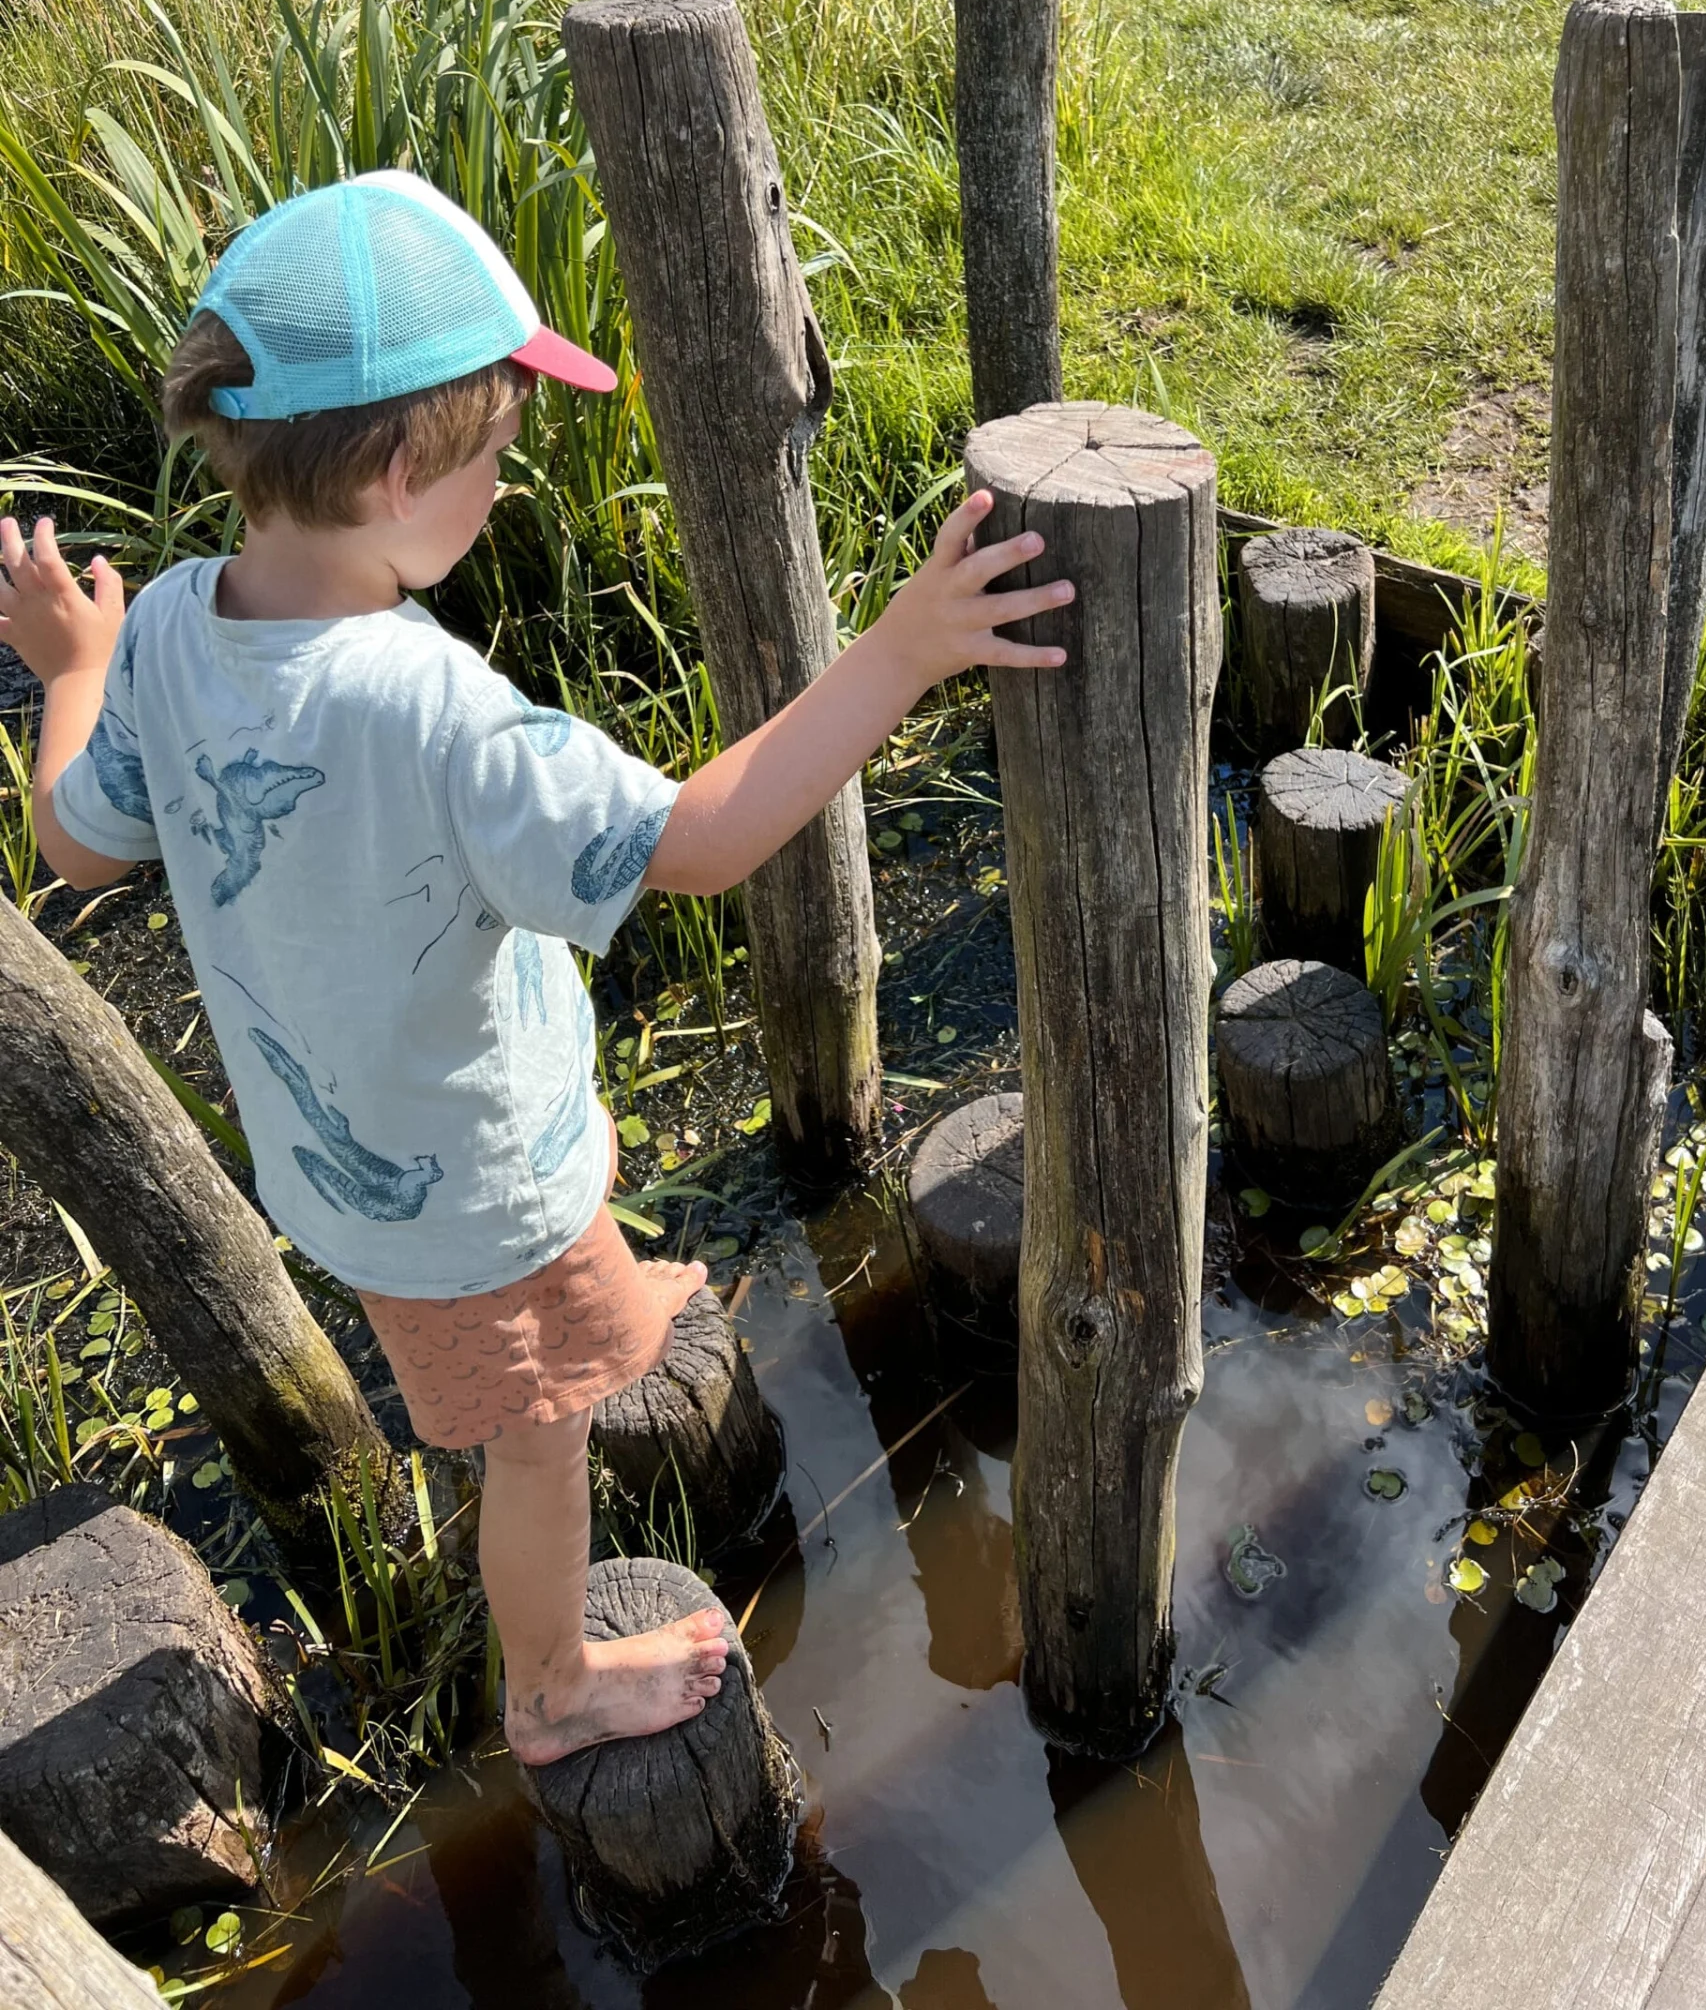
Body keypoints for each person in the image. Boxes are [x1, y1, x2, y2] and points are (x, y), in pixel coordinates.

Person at [0, 169, 1070, 1764]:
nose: (503, 489)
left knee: (554, 1301)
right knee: (539, 1441)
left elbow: (78, 848)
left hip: (342, 1159)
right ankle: (554, 1686)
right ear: (385, 467)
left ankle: (606, 1304)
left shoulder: (162, 626)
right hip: (468, 1196)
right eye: (490, 458)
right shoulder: (438, 718)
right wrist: (905, 644)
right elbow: (703, 836)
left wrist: (69, 670)